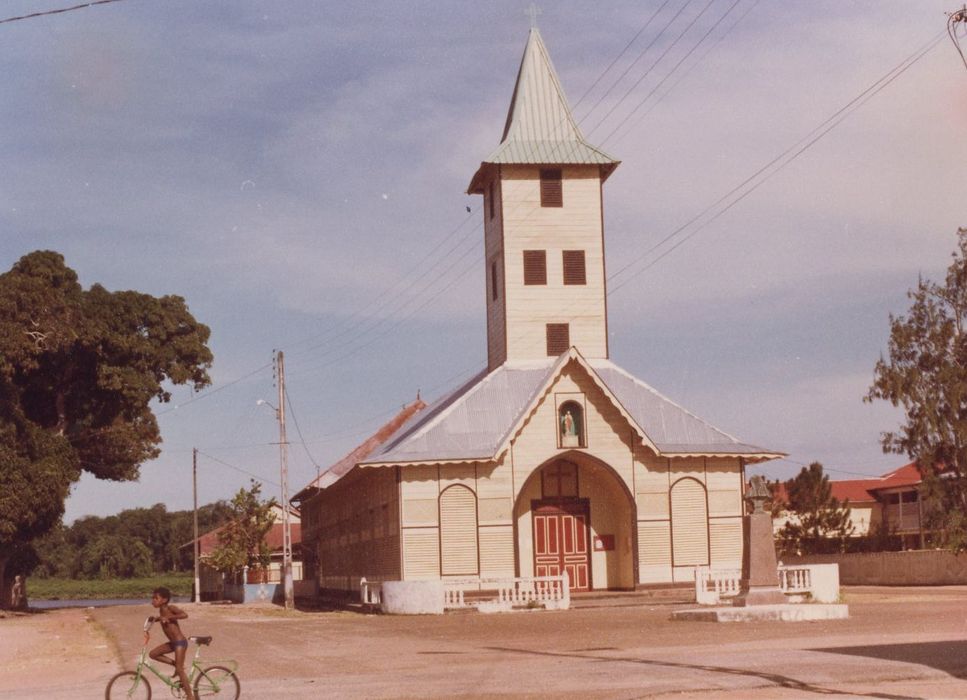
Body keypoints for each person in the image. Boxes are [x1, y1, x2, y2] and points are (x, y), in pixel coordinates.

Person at [145, 586, 194, 700]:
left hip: (180, 642)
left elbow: (184, 615)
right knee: (153, 654)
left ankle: (190, 696)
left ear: (164, 600)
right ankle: (175, 664)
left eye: (156, 598)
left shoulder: (170, 608)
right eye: (153, 598)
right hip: (173, 643)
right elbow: (162, 618)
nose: (153, 600)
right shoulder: (161, 611)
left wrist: (170, 617)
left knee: (180, 670)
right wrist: (155, 619)